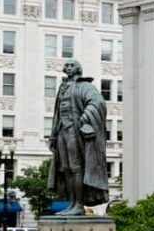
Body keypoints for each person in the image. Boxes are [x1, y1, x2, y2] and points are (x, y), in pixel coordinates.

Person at [47, 59, 109, 216]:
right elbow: (57, 115)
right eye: (66, 65)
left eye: (71, 65)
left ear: (79, 69)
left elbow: (97, 102)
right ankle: (72, 203)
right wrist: (53, 136)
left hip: (75, 131)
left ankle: (79, 205)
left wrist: (85, 119)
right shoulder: (62, 87)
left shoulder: (85, 86)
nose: (68, 68)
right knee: (65, 168)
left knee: (76, 168)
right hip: (62, 131)